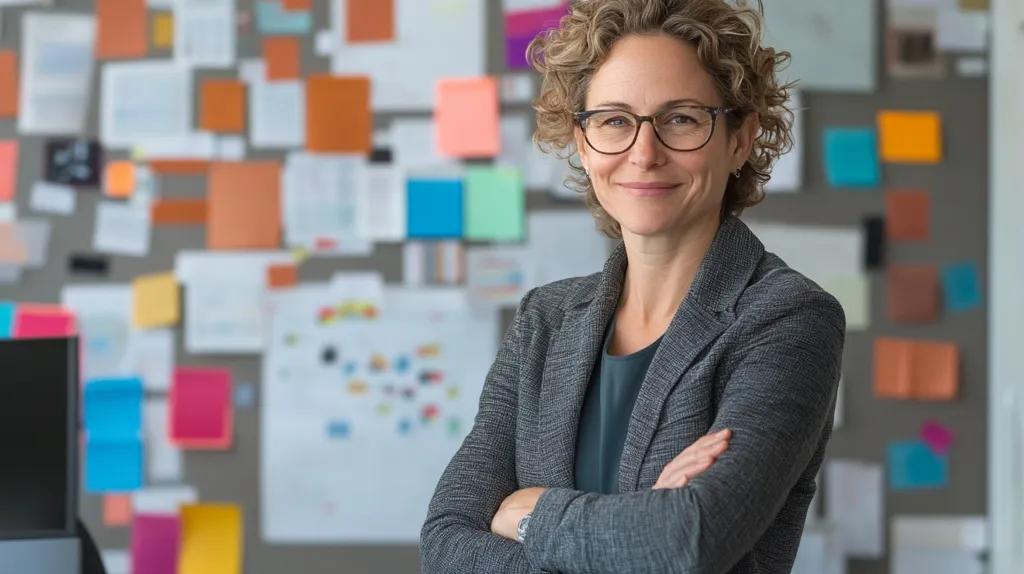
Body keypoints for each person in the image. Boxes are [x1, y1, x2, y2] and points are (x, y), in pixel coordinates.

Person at [420, 0, 845, 572]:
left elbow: (689, 539)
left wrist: (531, 515)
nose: (644, 154)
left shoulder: (789, 319)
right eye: (614, 120)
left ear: (740, 140)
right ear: (582, 142)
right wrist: (639, 527)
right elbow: (445, 542)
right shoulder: (545, 319)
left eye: (682, 119)